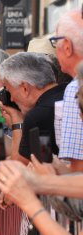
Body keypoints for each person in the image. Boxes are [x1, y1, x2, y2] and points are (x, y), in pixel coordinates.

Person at [53, 10, 83, 172]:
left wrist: (50, 171)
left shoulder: (75, 88)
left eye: (54, 41)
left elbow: (78, 169)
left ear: (67, 47)